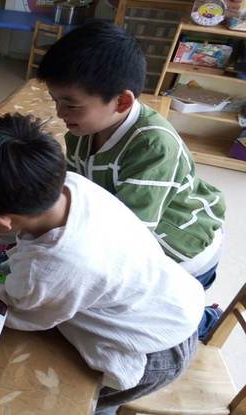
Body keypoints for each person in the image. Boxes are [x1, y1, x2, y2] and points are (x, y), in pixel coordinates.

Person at [0, 113, 203, 414]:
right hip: (170, 299)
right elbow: (13, 223)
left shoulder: (48, 268)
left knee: (74, 402)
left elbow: (26, 313)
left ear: (3, 219)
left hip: (147, 349)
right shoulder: (68, 187)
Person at [37, 22, 225, 339]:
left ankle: (203, 319)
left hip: (180, 251)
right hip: (130, 226)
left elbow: (132, 243)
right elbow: (74, 189)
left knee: (115, 318)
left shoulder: (154, 146)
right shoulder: (83, 128)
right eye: (55, 100)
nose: (59, 113)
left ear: (122, 102)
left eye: (70, 104)